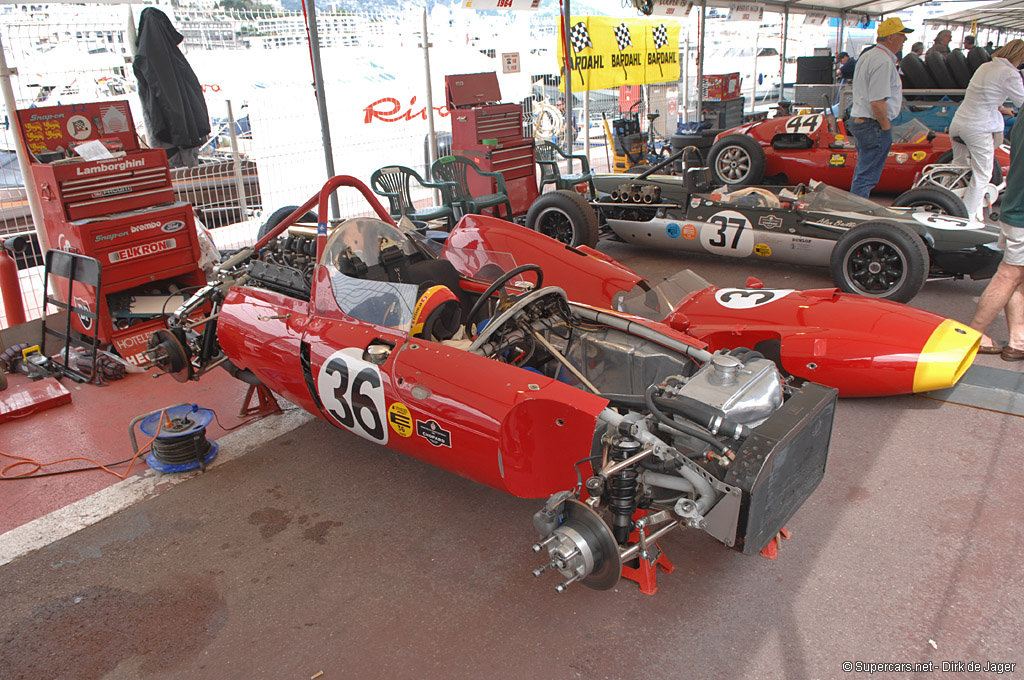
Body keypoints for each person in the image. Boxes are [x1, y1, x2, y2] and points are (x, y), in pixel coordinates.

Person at [947, 39, 1024, 222]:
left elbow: (984, 93)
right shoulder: (1009, 73)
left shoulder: (985, 66)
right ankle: (966, 217)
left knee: (957, 169)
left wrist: (1001, 107)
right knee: (983, 174)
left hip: (959, 123)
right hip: (978, 127)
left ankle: (941, 202)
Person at [969, 109, 1024, 361]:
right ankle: (972, 335)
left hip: (1015, 203)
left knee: (1017, 275)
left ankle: (1018, 341)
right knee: (1009, 274)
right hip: (1021, 211)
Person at [847, 17, 913, 198]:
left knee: (863, 173)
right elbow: (877, 101)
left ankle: (855, 211)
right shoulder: (883, 61)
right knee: (867, 177)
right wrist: (885, 127)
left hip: (862, 121)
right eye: (902, 35)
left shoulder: (868, 55)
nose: (904, 40)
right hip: (872, 124)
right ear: (891, 37)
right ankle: (856, 214)